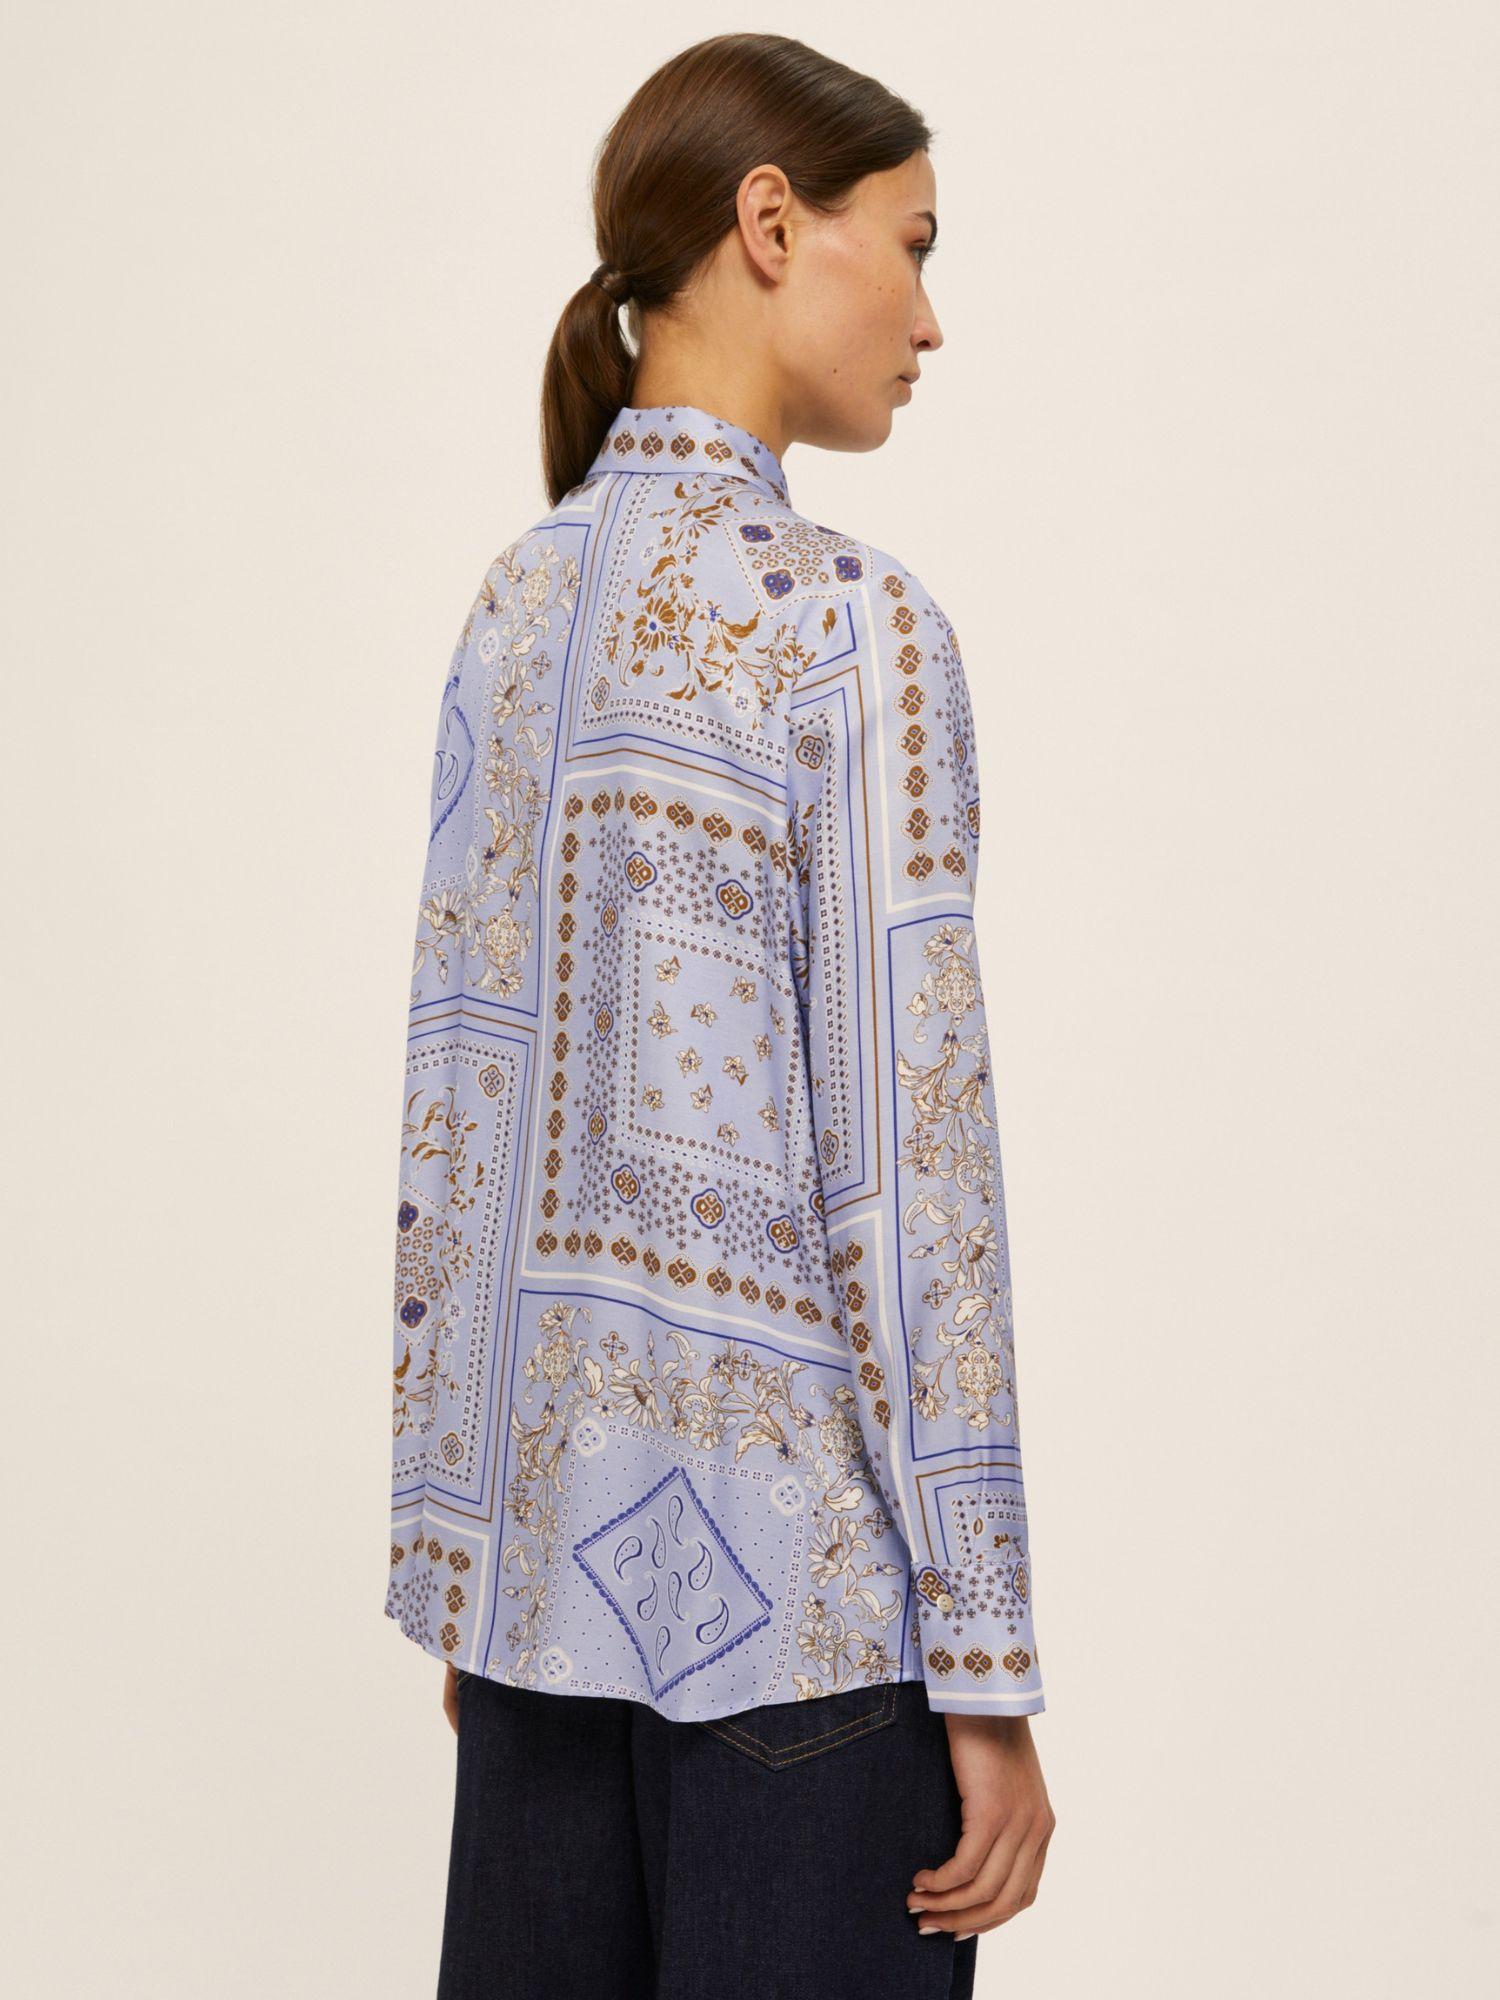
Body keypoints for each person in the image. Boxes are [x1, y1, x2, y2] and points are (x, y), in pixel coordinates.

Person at [385, 31, 1056, 1998]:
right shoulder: (849, 627)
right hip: (809, 1645)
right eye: (910, 244)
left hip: (537, 1628)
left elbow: (458, 1119)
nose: (929, 318)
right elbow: (914, 1177)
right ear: (772, 223)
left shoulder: (515, 608)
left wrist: (471, 1561)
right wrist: (989, 1663)